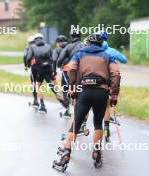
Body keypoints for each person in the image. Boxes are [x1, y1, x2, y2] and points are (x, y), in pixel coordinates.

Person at [53, 33, 121, 171]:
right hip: (101, 93)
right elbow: (116, 74)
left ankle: (65, 156)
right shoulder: (108, 56)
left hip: (84, 92)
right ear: (101, 44)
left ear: (88, 43)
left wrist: (72, 88)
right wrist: (114, 95)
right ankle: (97, 153)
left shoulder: (79, 54)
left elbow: (71, 69)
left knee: (75, 125)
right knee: (97, 124)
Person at [26, 33, 65, 113]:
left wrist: (28, 64)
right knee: (51, 83)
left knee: (39, 86)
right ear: (42, 38)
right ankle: (61, 98)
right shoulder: (48, 46)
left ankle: (42, 106)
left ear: (35, 40)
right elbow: (53, 57)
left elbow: (28, 57)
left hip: (39, 69)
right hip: (49, 68)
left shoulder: (32, 47)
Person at [56, 31, 84, 117]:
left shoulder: (68, 47)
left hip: (71, 71)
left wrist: (59, 65)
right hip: (84, 71)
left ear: (71, 37)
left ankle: (69, 110)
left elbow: (59, 60)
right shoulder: (85, 46)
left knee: (66, 89)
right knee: (80, 90)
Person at [52, 35, 70, 117]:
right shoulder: (71, 47)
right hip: (76, 70)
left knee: (65, 89)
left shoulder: (58, 49)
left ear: (58, 43)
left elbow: (54, 59)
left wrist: (54, 71)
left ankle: (69, 110)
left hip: (65, 71)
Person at [23, 35, 38, 107]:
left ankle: (35, 100)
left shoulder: (28, 48)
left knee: (33, 83)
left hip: (33, 67)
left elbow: (25, 56)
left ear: (29, 42)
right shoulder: (39, 46)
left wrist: (26, 66)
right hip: (42, 67)